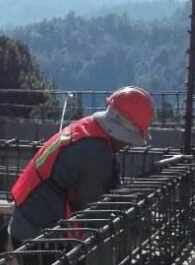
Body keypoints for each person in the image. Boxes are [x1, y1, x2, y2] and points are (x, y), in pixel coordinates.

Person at [9, 86, 155, 246]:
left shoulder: (91, 129)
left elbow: (108, 189)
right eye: (130, 140)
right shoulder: (95, 153)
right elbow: (93, 217)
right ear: (123, 131)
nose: (128, 145)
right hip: (35, 230)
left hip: (30, 216)